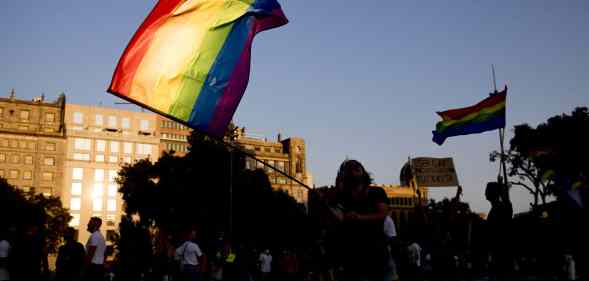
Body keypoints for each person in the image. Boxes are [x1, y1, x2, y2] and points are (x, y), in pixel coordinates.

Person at [335, 159, 389, 281]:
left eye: (356, 168)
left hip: (375, 252)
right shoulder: (344, 197)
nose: (353, 172)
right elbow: (337, 218)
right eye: (349, 170)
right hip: (352, 254)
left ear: (363, 172)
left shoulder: (376, 192)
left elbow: (382, 214)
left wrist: (359, 217)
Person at [485, 181, 513, 281]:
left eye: (487, 190)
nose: (485, 193)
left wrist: (502, 189)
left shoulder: (502, 207)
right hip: (497, 251)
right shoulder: (497, 208)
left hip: (501, 251)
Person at [85, 217, 106, 281]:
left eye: (90, 223)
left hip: (93, 268)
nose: (87, 224)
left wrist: (85, 268)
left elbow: (91, 253)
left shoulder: (95, 236)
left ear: (95, 225)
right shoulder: (99, 235)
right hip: (98, 267)